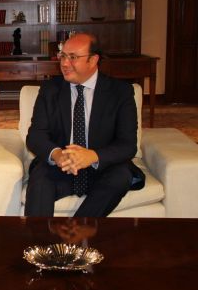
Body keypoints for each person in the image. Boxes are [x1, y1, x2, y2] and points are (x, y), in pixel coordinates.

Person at [24, 33, 145, 217]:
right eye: (63, 56)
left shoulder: (120, 92)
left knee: (120, 176)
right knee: (40, 178)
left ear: (93, 60)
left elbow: (128, 145)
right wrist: (57, 154)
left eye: (73, 57)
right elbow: (35, 136)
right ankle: (39, 243)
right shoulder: (50, 89)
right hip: (61, 167)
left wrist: (93, 156)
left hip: (101, 168)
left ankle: (76, 235)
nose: (64, 63)